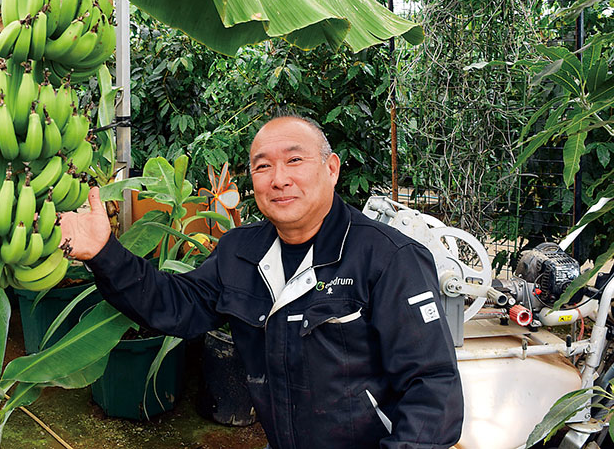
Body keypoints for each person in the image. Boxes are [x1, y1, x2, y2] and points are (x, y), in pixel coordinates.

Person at [61, 115, 464, 449]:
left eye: (294, 161)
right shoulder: (240, 252)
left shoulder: (389, 258)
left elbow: (432, 389)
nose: (279, 179)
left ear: (332, 168)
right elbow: (176, 305)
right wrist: (104, 252)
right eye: (263, 166)